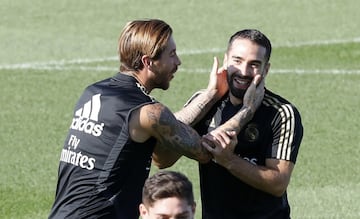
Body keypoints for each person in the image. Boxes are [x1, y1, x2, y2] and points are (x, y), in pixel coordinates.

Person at [48, 19, 263, 219]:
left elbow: (166, 135)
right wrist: (246, 111)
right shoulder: (148, 113)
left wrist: (210, 95)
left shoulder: (94, 92)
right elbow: (207, 151)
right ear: (148, 62)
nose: (178, 61)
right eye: (171, 54)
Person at [155, 29, 303, 218]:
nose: (243, 71)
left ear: (266, 69)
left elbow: (278, 184)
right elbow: (162, 159)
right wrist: (208, 98)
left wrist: (229, 160)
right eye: (237, 61)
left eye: (254, 65)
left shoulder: (281, 112)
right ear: (226, 61)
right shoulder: (205, 102)